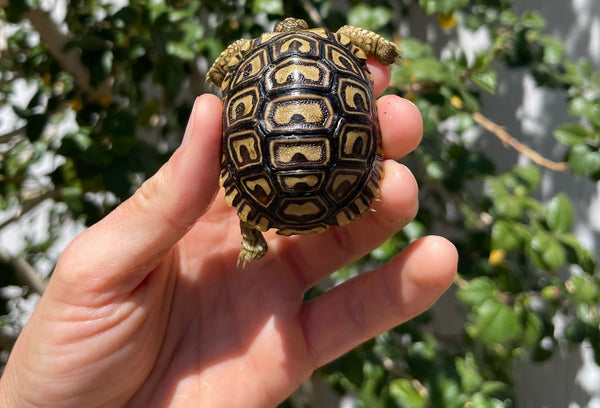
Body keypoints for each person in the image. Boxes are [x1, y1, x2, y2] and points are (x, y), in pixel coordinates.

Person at [0, 61, 457, 408]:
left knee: (379, 189)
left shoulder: (249, 61)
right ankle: (269, 224)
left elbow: (224, 68)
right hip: (337, 186)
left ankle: (252, 231)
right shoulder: (338, 53)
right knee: (385, 188)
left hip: (264, 186)